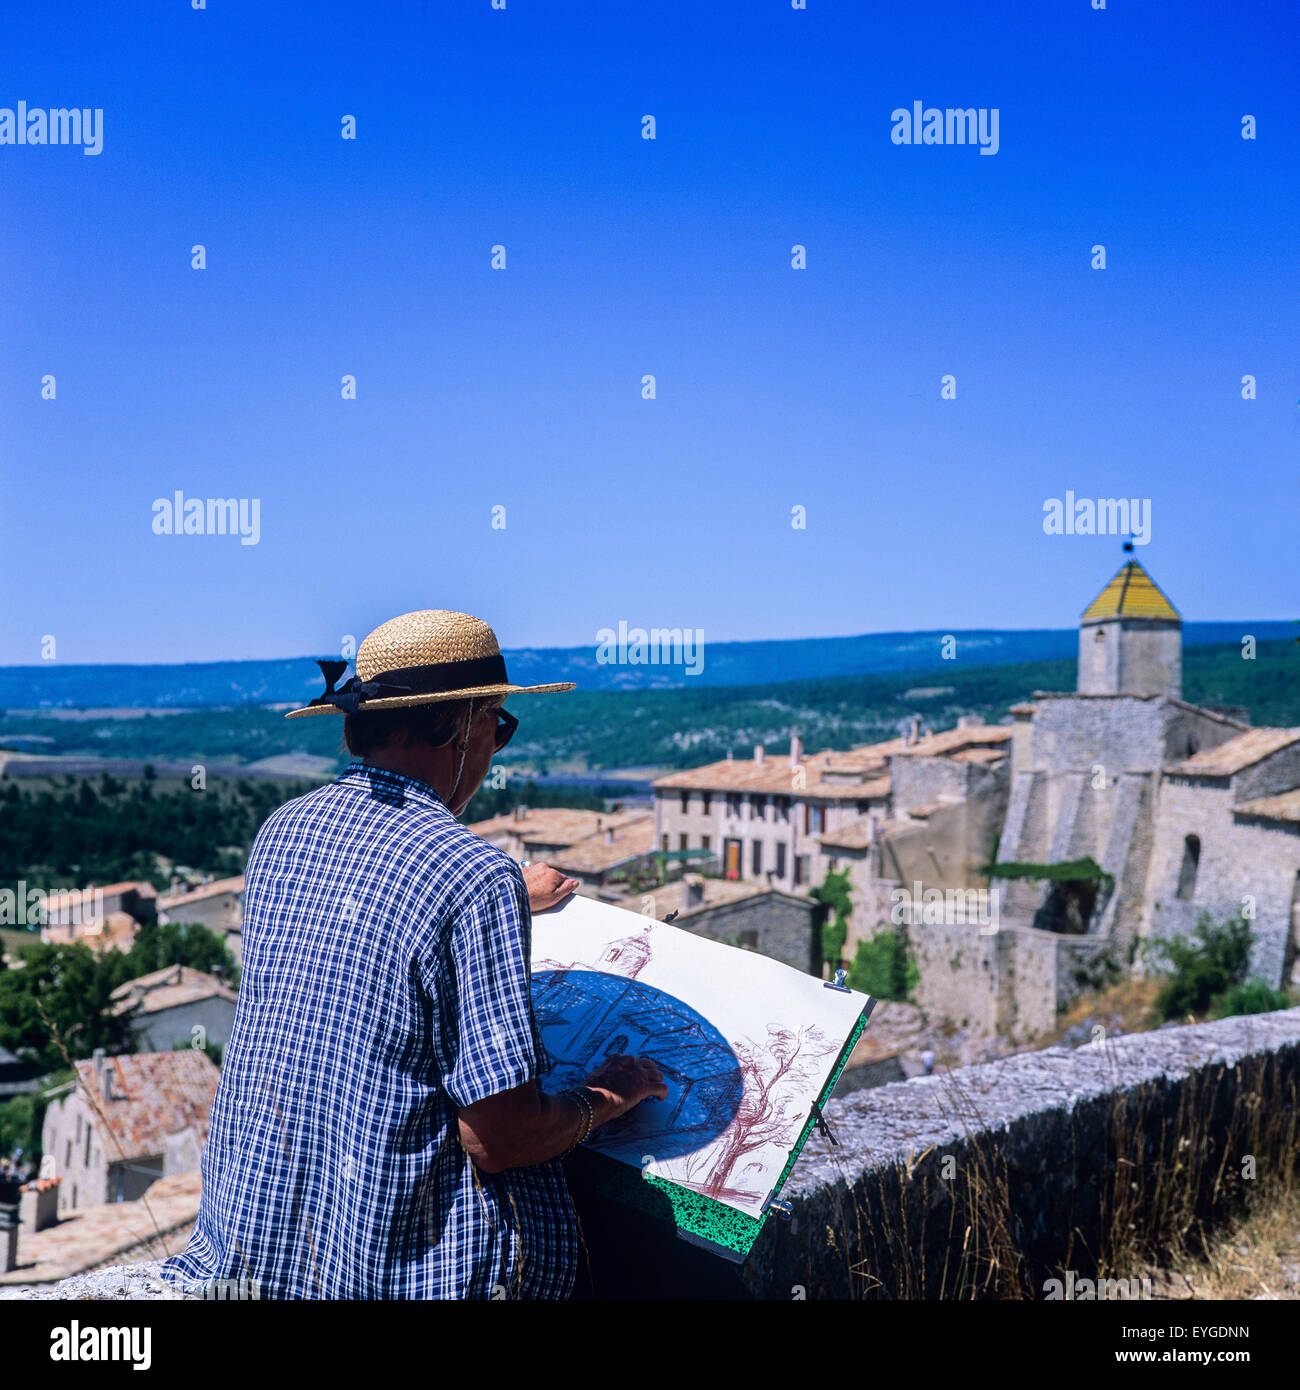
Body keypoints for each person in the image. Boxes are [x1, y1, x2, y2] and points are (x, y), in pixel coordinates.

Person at [162, 610, 666, 1299]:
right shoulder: (471, 878)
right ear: (459, 727)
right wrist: (609, 1094)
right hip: (394, 1274)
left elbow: (370, 912)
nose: (495, 751)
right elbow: (500, 1140)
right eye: (499, 725)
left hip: (259, 1256)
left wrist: (506, 896)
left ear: (354, 728)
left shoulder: (283, 831)